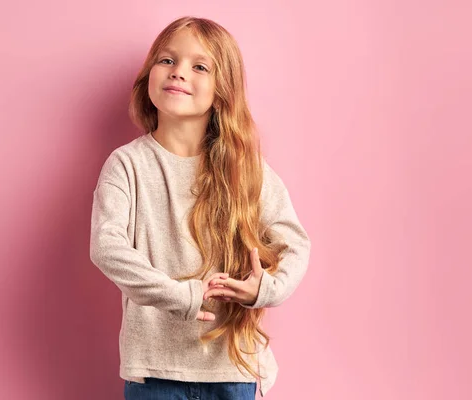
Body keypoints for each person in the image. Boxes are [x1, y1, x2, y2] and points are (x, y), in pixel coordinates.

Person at [89, 16, 311, 399]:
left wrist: (266, 289)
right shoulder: (127, 165)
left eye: (199, 66)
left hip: (233, 369)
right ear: (148, 77)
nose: (178, 73)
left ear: (221, 89)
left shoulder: (246, 168)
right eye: (167, 60)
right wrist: (183, 296)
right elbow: (107, 247)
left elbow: (296, 244)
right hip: (154, 371)